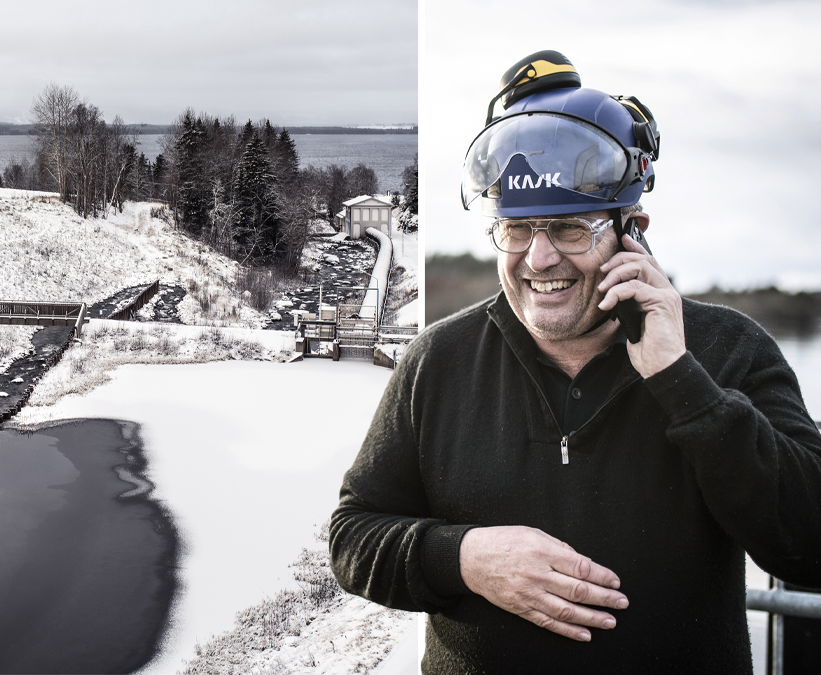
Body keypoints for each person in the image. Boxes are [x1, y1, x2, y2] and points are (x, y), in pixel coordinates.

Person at [329, 51, 821, 674]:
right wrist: (462, 557)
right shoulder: (438, 361)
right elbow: (351, 538)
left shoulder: (727, 350)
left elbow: (808, 544)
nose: (538, 259)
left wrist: (681, 381)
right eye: (516, 229)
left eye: (568, 229)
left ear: (631, 231)